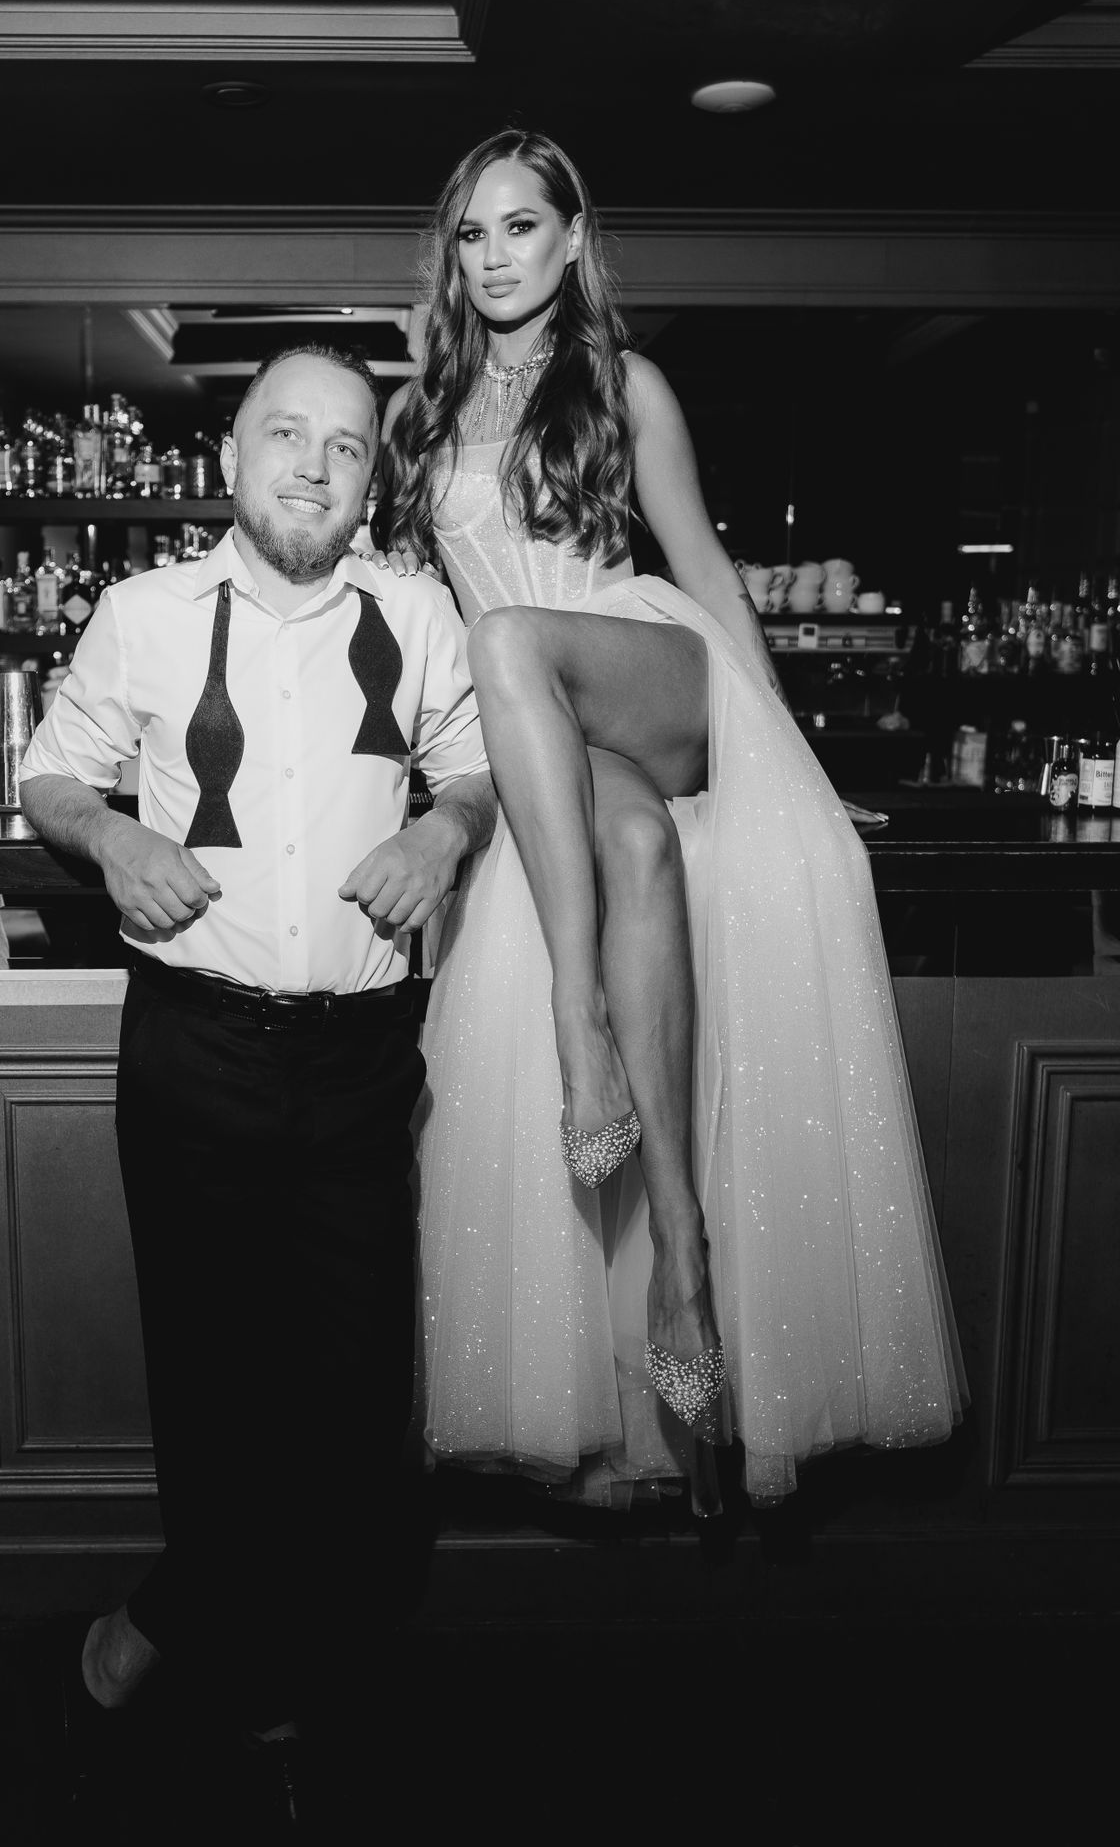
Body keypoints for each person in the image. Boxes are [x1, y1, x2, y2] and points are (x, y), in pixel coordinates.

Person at [375, 131, 966, 1507]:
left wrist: (783, 758)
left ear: (573, 238)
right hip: (547, 742)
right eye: (472, 234)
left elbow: (700, 563)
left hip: (648, 674)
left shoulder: (624, 382)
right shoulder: (419, 413)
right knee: (632, 843)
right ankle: (684, 1267)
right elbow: (405, 612)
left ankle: (578, 1027)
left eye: (523, 226)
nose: (496, 256)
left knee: (512, 634)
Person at [18, 345, 495, 1767]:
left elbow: (476, 765)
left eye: (346, 446)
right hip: (197, 1046)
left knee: (353, 1397)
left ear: (370, 480)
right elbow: (51, 769)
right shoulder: (143, 616)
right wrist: (111, 837)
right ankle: (260, 1674)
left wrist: (444, 829)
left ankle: (172, 1621)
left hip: (362, 1059)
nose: (314, 465)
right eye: (287, 434)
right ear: (232, 455)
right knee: (212, 1385)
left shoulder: (420, 616)